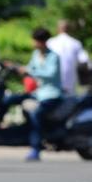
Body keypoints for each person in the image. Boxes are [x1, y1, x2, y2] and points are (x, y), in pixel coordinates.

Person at [15, 27, 62, 161]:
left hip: (51, 95)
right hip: (38, 93)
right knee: (13, 99)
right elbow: (31, 67)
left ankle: (36, 148)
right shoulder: (36, 54)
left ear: (42, 42)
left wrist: (30, 72)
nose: (33, 43)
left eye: (35, 41)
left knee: (37, 114)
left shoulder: (54, 57)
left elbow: (50, 74)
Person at [47, 20, 89, 95]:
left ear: (57, 29)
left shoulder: (50, 42)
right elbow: (84, 61)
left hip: (52, 85)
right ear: (69, 30)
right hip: (70, 84)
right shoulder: (76, 43)